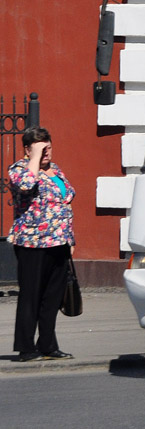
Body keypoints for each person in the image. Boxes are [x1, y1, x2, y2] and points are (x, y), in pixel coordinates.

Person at [8, 127, 75, 362]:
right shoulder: (19, 170)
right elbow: (26, 185)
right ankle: (26, 348)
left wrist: (70, 239)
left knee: (52, 298)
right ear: (27, 149)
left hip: (59, 243)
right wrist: (34, 158)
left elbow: (64, 205)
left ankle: (48, 345)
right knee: (31, 296)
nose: (46, 152)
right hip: (32, 244)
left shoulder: (55, 171)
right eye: (39, 148)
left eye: (48, 146)